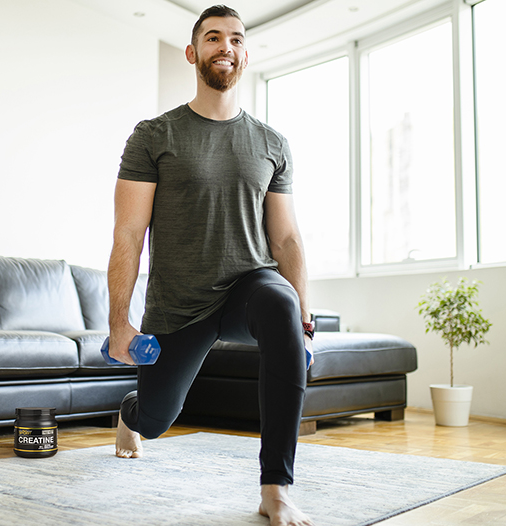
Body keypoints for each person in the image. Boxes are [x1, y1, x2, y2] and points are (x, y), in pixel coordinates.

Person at [106, 5, 315, 526]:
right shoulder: (155, 135)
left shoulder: (272, 143)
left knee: (280, 303)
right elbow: (129, 234)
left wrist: (304, 319)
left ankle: (276, 488)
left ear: (245, 54)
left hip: (250, 284)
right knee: (155, 422)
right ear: (192, 52)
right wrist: (118, 323)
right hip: (180, 304)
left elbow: (285, 237)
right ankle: (131, 414)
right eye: (214, 37)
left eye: (236, 39)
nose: (226, 46)